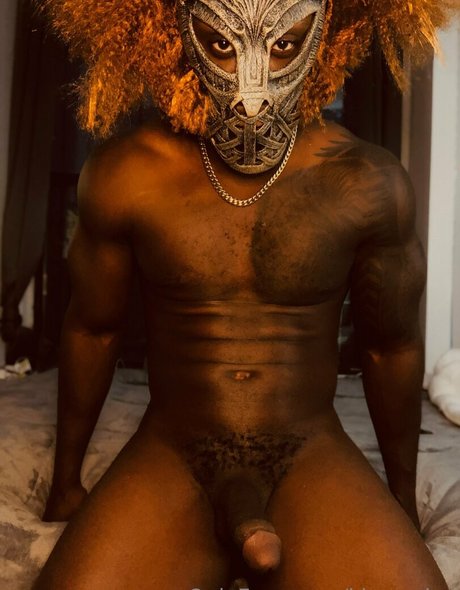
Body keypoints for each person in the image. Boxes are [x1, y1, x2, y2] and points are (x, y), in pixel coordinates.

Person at [34, 0, 459, 588]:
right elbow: (92, 328)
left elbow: (391, 347)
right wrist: (65, 485)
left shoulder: (368, 181)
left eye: (283, 45)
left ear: (326, 33)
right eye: (222, 44)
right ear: (173, 30)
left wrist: (403, 503)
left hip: (308, 453)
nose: (251, 92)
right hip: (172, 453)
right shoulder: (127, 172)